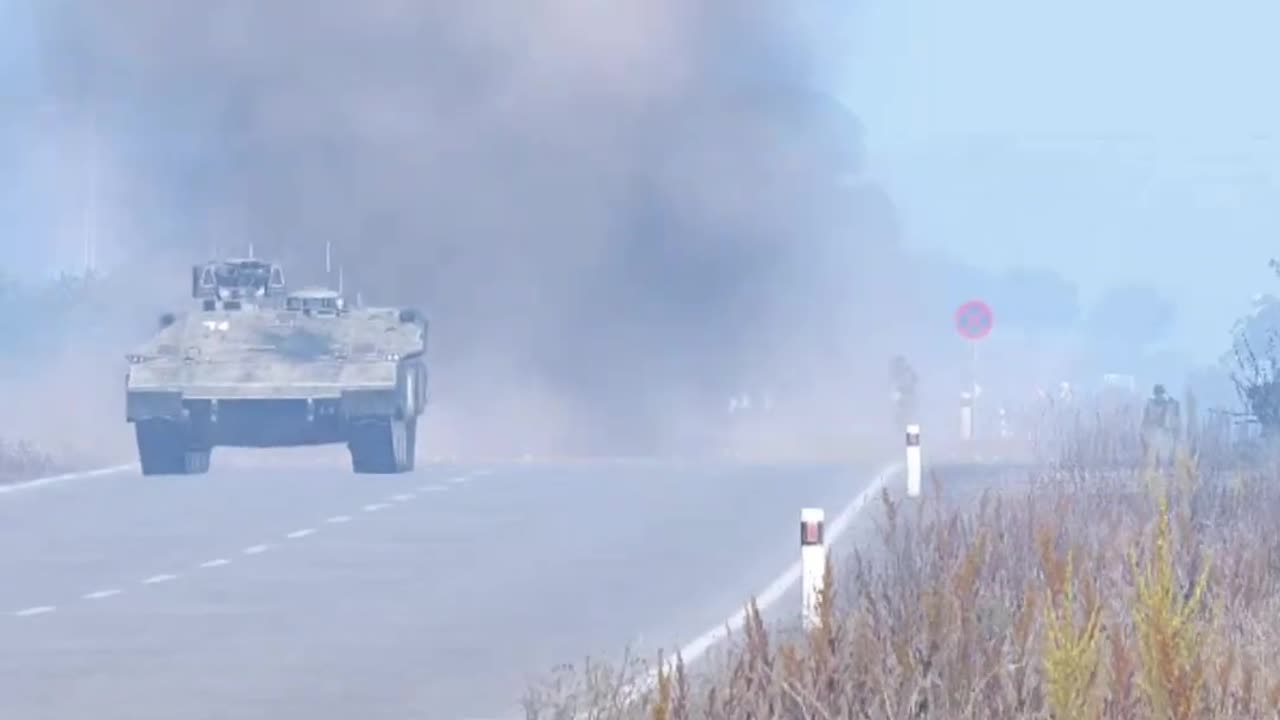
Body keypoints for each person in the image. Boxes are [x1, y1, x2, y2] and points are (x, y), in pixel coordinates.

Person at [1141, 384, 1181, 469]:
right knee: (1155, 454)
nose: (1159, 396)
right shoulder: (1150, 404)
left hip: (1165, 433)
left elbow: (1175, 418)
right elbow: (1146, 419)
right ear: (1155, 394)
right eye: (1158, 394)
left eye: (1161, 394)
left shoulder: (1169, 404)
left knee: (1165, 455)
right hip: (1154, 432)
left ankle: (1165, 467)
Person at [890, 355, 918, 429]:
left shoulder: (908, 372)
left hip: (908, 403)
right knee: (907, 420)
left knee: (911, 420)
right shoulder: (896, 376)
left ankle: (909, 438)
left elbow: (915, 380)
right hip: (903, 405)